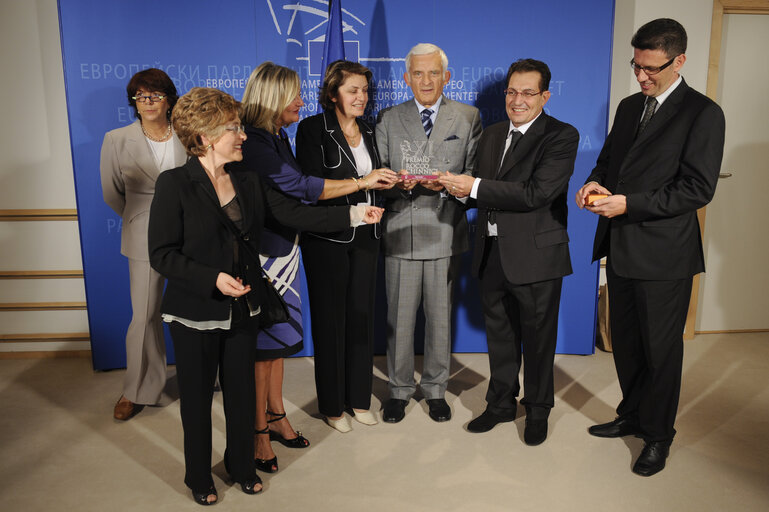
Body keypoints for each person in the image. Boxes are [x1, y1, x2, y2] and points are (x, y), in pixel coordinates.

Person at [149, 87, 382, 504]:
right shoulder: (174, 185)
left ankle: (241, 465)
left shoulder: (248, 180)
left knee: (241, 395)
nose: (242, 135)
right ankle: (199, 477)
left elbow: (294, 214)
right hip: (195, 312)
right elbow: (162, 255)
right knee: (198, 402)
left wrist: (354, 213)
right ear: (202, 137)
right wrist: (212, 278)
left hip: (244, 307)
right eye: (233, 128)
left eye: (239, 126)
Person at [575, 19, 725, 476]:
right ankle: (633, 414)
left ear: (678, 61)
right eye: (636, 66)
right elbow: (608, 162)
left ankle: (658, 436)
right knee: (628, 345)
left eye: (650, 69)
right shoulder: (627, 106)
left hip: (665, 256)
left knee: (661, 354)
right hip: (620, 248)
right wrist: (593, 183)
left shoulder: (703, 113)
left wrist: (629, 204)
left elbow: (697, 189)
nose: (641, 76)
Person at [233, 63, 395, 464]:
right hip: (274, 250)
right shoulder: (262, 141)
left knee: (279, 345)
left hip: (290, 247)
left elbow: (292, 199)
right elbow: (298, 191)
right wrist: (359, 192)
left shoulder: (276, 135)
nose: (300, 102)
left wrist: (382, 189)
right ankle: (265, 429)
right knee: (269, 345)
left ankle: (277, 417)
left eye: (364, 90)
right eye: (294, 95)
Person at [441, 59, 579, 446]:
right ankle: (501, 403)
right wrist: (455, 191)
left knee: (538, 341)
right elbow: (482, 195)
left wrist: (474, 186)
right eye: (512, 92)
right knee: (499, 338)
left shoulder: (561, 136)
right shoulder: (492, 134)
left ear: (545, 96)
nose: (518, 100)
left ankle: (537, 410)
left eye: (528, 93)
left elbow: (536, 194)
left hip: (536, 257)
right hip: (490, 252)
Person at [376, 43, 481, 424]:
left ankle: (436, 389)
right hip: (402, 232)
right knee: (399, 320)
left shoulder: (468, 117)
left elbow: (473, 179)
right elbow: (378, 179)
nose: (425, 81)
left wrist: (454, 186)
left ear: (446, 77)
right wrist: (400, 185)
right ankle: (399, 390)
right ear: (406, 78)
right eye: (418, 73)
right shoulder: (388, 118)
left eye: (433, 73)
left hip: (444, 230)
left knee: (440, 319)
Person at [296, 60, 398, 432]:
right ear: (332, 93)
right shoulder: (312, 129)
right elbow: (309, 187)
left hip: (367, 237)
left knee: (360, 320)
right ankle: (332, 406)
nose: (361, 97)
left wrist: (386, 182)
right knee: (330, 323)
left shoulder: (370, 130)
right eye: (352, 90)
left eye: (365, 91)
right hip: (327, 239)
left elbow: (373, 179)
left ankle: (358, 399)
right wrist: (363, 180)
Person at [100, 68, 186, 421]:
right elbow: (112, 193)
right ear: (133, 102)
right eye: (140, 97)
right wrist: (140, 220)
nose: (147, 103)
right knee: (145, 315)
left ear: (169, 99)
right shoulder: (115, 139)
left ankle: (207, 375)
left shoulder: (187, 134)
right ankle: (137, 390)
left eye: (155, 95)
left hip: (189, 233)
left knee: (197, 308)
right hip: (142, 236)